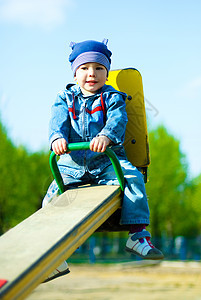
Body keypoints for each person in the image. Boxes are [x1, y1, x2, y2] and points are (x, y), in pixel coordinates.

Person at [42, 39, 164, 282]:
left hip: (107, 162)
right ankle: (54, 254)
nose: (92, 74)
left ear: (106, 73)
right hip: (71, 164)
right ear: (75, 73)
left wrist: (106, 136)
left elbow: (117, 121)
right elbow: (57, 123)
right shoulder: (64, 98)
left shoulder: (112, 97)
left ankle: (137, 235)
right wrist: (57, 139)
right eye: (85, 68)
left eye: (99, 68)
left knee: (133, 178)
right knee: (52, 199)